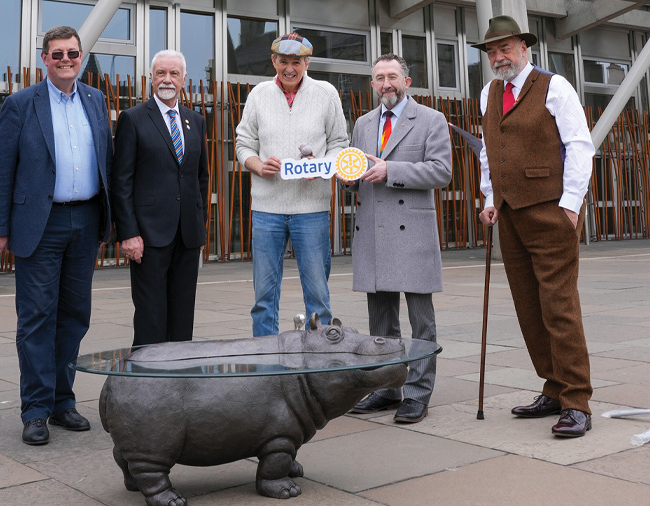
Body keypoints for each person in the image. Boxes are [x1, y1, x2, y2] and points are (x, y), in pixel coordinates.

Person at [0, 26, 112, 445]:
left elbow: (107, 163)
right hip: (40, 224)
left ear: (80, 57)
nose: (65, 60)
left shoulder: (95, 100)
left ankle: (62, 402)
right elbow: (2, 170)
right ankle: (36, 410)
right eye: (57, 54)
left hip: (85, 222)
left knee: (74, 317)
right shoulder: (21, 104)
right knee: (38, 316)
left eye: (72, 53)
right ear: (44, 59)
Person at [473, 15, 595, 437]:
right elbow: (489, 152)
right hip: (508, 214)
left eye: (505, 48)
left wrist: (571, 206)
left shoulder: (553, 86)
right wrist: (490, 200)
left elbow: (580, 145)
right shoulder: (488, 93)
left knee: (559, 307)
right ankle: (553, 387)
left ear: (524, 48)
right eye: (491, 51)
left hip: (549, 210)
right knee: (529, 307)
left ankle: (577, 400)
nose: (498, 57)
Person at [344, 54, 452, 423]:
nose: (385, 84)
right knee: (381, 323)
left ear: (407, 81)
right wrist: (347, 177)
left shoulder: (431, 119)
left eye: (392, 76)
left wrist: (392, 170)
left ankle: (418, 393)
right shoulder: (362, 123)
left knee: (422, 322)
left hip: (413, 232)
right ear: (372, 85)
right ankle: (388, 387)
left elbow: (441, 171)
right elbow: (359, 170)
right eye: (378, 78)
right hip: (374, 231)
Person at [235, 33, 349, 337]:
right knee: (263, 298)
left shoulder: (326, 93)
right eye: (283, 61)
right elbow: (243, 144)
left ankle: (320, 365)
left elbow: (339, 143)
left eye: (295, 62)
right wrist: (257, 165)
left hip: (311, 208)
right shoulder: (258, 94)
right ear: (273, 61)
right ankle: (265, 363)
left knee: (318, 297)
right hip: (266, 208)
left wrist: (322, 165)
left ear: (306, 62)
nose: (289, 68)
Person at [111, 50, 209, 347]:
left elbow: (200, 177)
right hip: (148, 237)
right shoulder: (133, 118)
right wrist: (128, 233)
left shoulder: (196, 121)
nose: (167, 79)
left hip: (187, 236)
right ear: (151, 78)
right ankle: (144, 383)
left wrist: (198, 223)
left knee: (183, 317)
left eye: (173, 74)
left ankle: (179, 381)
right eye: (160, 73)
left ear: (184, 80)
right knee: (151, 318)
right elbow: (121, 181)